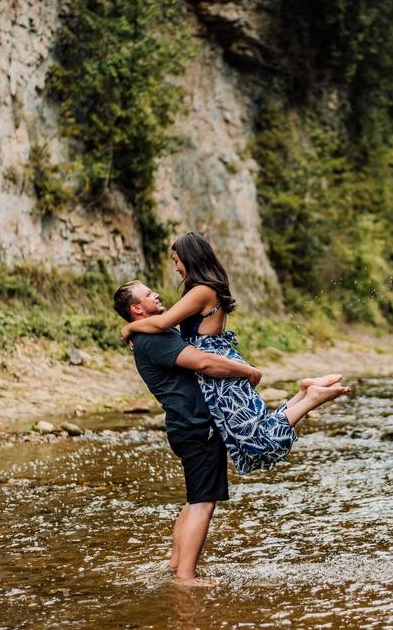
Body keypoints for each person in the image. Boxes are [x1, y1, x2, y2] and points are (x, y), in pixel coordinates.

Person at [120, 231, 351, 474]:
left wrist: (129, 328)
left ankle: (311, 398)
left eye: (176, 260)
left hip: (216, 371)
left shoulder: (201, 291)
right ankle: (305, 393)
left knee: (259, 444)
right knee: (258, 430)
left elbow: (163, 322)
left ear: (189, 258)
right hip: (220, 361)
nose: (176, 266)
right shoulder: (207, 287)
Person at [113, 279, 261, 588]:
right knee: (203, 502)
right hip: (197, 425)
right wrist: (247, 370)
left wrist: (127, 329)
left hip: (186, 425)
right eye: (148, 294)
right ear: (137, 308)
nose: (156, 294)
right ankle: (186, 578)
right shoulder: (155, 340)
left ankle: (175, 563)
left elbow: (172, 336)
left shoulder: (149, 333)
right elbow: (204, 363)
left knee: (194, 497)